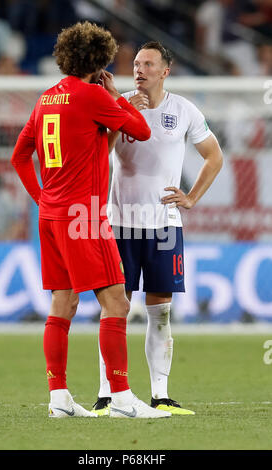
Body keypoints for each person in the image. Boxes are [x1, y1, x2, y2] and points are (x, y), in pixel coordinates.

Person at [11, 22, 171, 420]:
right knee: (115, 300)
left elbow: (19, 156)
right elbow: (140, 129)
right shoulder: (91, 96)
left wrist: (41, 198)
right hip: (83, 215)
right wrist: (116, 97)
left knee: (62, 302)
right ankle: (121, 398)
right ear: (98, 61)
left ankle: (59, 398)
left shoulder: (46, 98)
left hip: (50, 216)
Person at [92, 41, 223, 416]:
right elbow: (98, 154)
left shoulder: (183, 110)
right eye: (136, 63)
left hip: (164, 225)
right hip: (120, 222)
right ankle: (107, 394)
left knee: (161, 311)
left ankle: (161, 395)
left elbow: (214, 156)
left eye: (148, 64)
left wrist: (192, 197)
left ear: (165, 71)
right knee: (114, 310)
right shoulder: (116, 105)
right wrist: (121, 114)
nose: (140, 69)